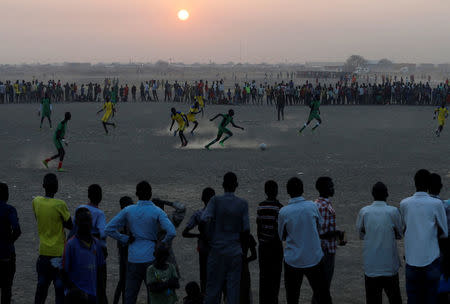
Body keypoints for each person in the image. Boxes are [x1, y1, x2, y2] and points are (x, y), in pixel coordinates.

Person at [105, 181, 176, 304]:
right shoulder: (157, 211)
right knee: (152, 295)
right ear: (150, 193)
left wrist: (125, 238)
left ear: (136, 194)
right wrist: (161, 243)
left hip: (133, 257)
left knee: (130, 296)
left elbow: (109, 229)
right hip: (151, 256)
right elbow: (171, 232)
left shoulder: (129, 210)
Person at [278, 177, 332, 304]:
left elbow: (282, 236)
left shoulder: (284, 212)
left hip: (293, 260)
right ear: (302, 190)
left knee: (292, 297)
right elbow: (319, 227)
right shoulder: (312, 206)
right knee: (323, 295)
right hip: (314, 257)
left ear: (288, 191)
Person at [400, 169, 448, 303]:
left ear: (414, 183)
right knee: (431, 298)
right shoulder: (437, 204)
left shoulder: (404, 204)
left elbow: (404, 228)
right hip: (431, 260)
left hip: (411, 260)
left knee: (413, 298)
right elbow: (444, 232)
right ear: (428, 184)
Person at [202, 172, 250, 304]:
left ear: (223, 185)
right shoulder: (242, 204)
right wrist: (243, 252)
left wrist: (209, 239)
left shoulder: (215, 200)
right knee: (233, 291)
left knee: (212, 289)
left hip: (217, 250)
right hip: (235, 251)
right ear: (236, 185)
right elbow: (246, 230)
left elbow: (205, 219)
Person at [356, 182, 403, 304]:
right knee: (395, 298)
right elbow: (400, 234)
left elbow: (361, 234)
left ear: (372, 194)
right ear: (387, 194)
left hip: (371, 266)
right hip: (389, 265)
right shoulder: (393, 211)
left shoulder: (364, 212)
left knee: (373, 299)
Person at [33, 173, 73, 304]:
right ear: (56, 187)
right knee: (60, 292)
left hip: (43, 253)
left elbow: (38, 218)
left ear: (43, 186)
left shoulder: (36, 201)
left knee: (41, 291)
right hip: (58, 254)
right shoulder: (60, 204)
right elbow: (70, 225)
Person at [69, 184, 108, 304]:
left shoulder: (80, 209)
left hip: (79, 251)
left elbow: (74, 227)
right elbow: (103, 233)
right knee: (100, 286)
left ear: (88, 196)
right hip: (94, 253)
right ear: (100, 197)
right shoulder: (99, 214)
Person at [312, 177, 346, 304]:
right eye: (331, 186)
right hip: (325, 250)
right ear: (324, 189)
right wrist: (337, 233)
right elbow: (321, 233)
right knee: (323, 286)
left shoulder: (319, 204)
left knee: (322, 286)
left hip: (324, 249)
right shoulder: (323, 206)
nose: (333, 188)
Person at [63, 208, 106, 304]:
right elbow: (64, 272)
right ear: (77, 223)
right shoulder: (71, 245)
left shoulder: (96, 243)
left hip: (92, 294)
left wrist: (102, 294)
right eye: (83, 221)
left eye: (88, 220)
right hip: (75, 297)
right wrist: (74, 291)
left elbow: (100, 270)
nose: (86, 224)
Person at [183, 187, 216, 294]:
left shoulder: (198, 214)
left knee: (204, 278)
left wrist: (198, 236)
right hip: (216, 250)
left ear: (202, 199)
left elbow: (185, 233)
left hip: (204, 250)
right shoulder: (219, 214)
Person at [256, 180, 283, 304]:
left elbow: (258, 226)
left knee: (264, 276)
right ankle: (273, 300)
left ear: (265, 191)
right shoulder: (279, 207)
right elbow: (279, 229)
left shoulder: (261, 206)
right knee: (275, 277)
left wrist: (261, 240)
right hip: (275, 247)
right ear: (276, 191)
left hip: (263, 245)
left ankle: (263, 300)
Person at [0, 182, 21, 304]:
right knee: (7, 287)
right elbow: (17, 230)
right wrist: (9, 241)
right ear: (7, 195)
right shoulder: (9, 209)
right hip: (7, 255)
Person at [113, 196, 134, 304]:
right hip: (125, 253)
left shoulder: (121, 218)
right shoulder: (125, 219)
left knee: (123, 281)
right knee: (124, 281)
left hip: (124, 253)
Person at [240, 233, 257, 304]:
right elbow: (254, 256)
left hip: (234, 269)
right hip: (244, 269)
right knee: (246, 294)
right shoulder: (248, 236)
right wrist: (245, 261)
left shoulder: (232, 235)